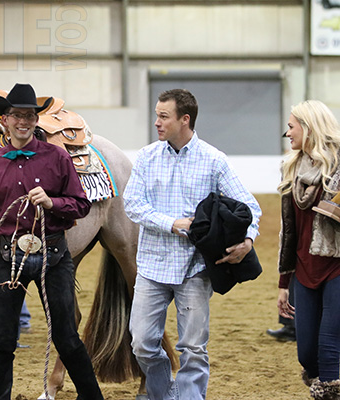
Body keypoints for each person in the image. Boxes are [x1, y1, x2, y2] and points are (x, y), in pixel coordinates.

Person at [0, 83, 103, 400]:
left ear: (36, 119)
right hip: (7, 259)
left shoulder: (56, 157)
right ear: (6, 119)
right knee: (1, 338)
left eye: (29, 115)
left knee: (67, 337)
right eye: (16, 115)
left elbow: (80, 204)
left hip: (53, 256)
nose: (23, 121)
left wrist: (53, 203)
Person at [123, 89, 261, 400]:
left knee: (194, 348)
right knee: (142, 343)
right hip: (151, 266)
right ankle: (163, 394)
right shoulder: (146, 157)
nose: (156, 122)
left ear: (184, 120)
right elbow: (131, 204)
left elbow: (249, 206)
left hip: (194, 269)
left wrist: (248, 239)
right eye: (156, 114)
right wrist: (172, 223)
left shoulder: (214, 161)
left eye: (163, 116)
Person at [276, 100, 340, 399]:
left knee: (329, 351)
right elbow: (288, 230)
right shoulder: (290, 168)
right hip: (303, 271)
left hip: (336, 268)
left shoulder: (338, 167)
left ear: (309, 127)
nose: (287, 133)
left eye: (291, 126)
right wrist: (283, 283)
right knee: (307, 355)